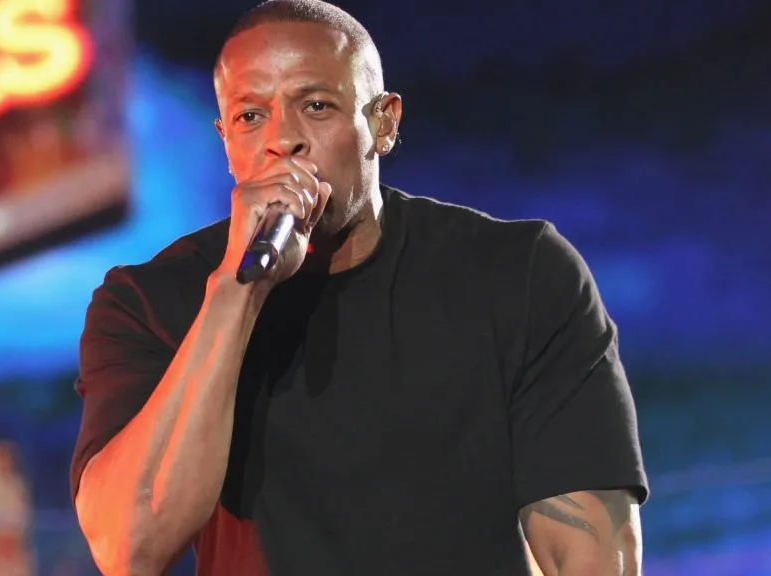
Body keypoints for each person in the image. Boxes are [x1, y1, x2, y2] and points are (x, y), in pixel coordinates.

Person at [69, 1, 649, 575]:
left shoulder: (518, 274)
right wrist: (238, 291)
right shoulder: (147, 302)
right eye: (250, 117)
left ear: (384, 123)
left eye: (316, 106)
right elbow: (130, 547)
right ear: (225, 141)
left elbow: (593, 556)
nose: (283, 140)